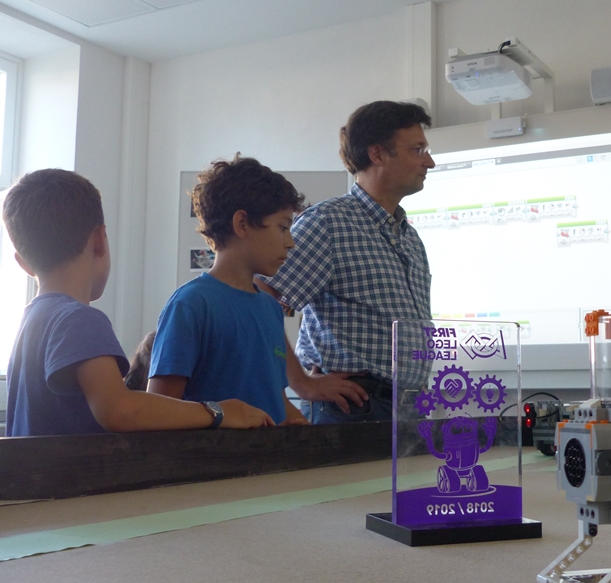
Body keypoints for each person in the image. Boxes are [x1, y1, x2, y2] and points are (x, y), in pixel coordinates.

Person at [1, 169, 274, 436]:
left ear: (23, 263)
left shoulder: (30, 321)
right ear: (99, 240)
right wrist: (219, 412)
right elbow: (121, 411)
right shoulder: (78, 319)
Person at [258, 101, 434, 424]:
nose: (430, 162)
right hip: (353, 408)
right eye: (418, 150)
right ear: (377, 154)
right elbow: (259, 297)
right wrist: (300, 382)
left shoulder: (410, 237)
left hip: (409, 409)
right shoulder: (328, 223)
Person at [148, 156, 308, 425]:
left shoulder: (270, 308)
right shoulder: (191, 304)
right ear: (242, 223)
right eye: (282, 227)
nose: (290, 242)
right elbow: (159, 409)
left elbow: (276, 399)